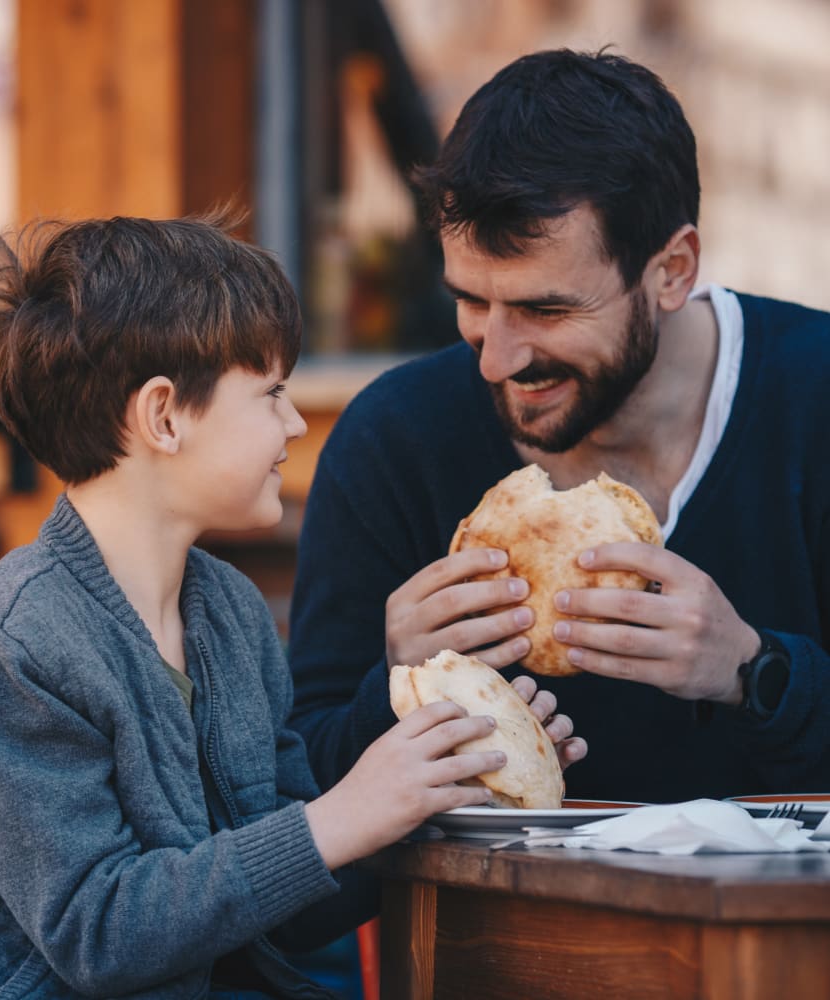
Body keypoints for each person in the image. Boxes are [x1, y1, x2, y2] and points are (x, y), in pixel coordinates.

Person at [0, 214, 580, 1000]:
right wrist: (342, 817)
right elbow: (100, 934)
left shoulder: (227, 614)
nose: (294, 422)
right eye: (270, 391)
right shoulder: (10, 641)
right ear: (164, 415)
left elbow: (286, 910)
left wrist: (444, 788)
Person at [288, 47, 830, 805]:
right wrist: (395, 692)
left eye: (546, 310)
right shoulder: (396, 440)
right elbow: (295, 812)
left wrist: (753, 671)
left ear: (672, 271)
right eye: (472, 301)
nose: (496, 360)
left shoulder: (812, 396)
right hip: (486, 925)